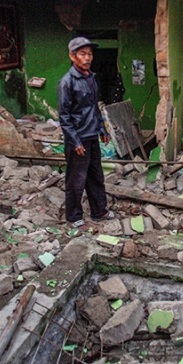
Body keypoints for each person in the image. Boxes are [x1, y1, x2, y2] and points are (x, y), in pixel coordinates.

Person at [58, 37, 116, 229]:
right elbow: (64, 117)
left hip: (91, 135)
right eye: (83, 54)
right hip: (78, 138)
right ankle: (74, 217)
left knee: (96, 175)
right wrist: (74, 142)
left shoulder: (91, 77)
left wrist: (102, 128)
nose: (87, 57)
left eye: (89, 53)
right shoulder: (67, 82)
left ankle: (99, 211)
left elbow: (94, 107)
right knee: (76, 179)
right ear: (72, 56)